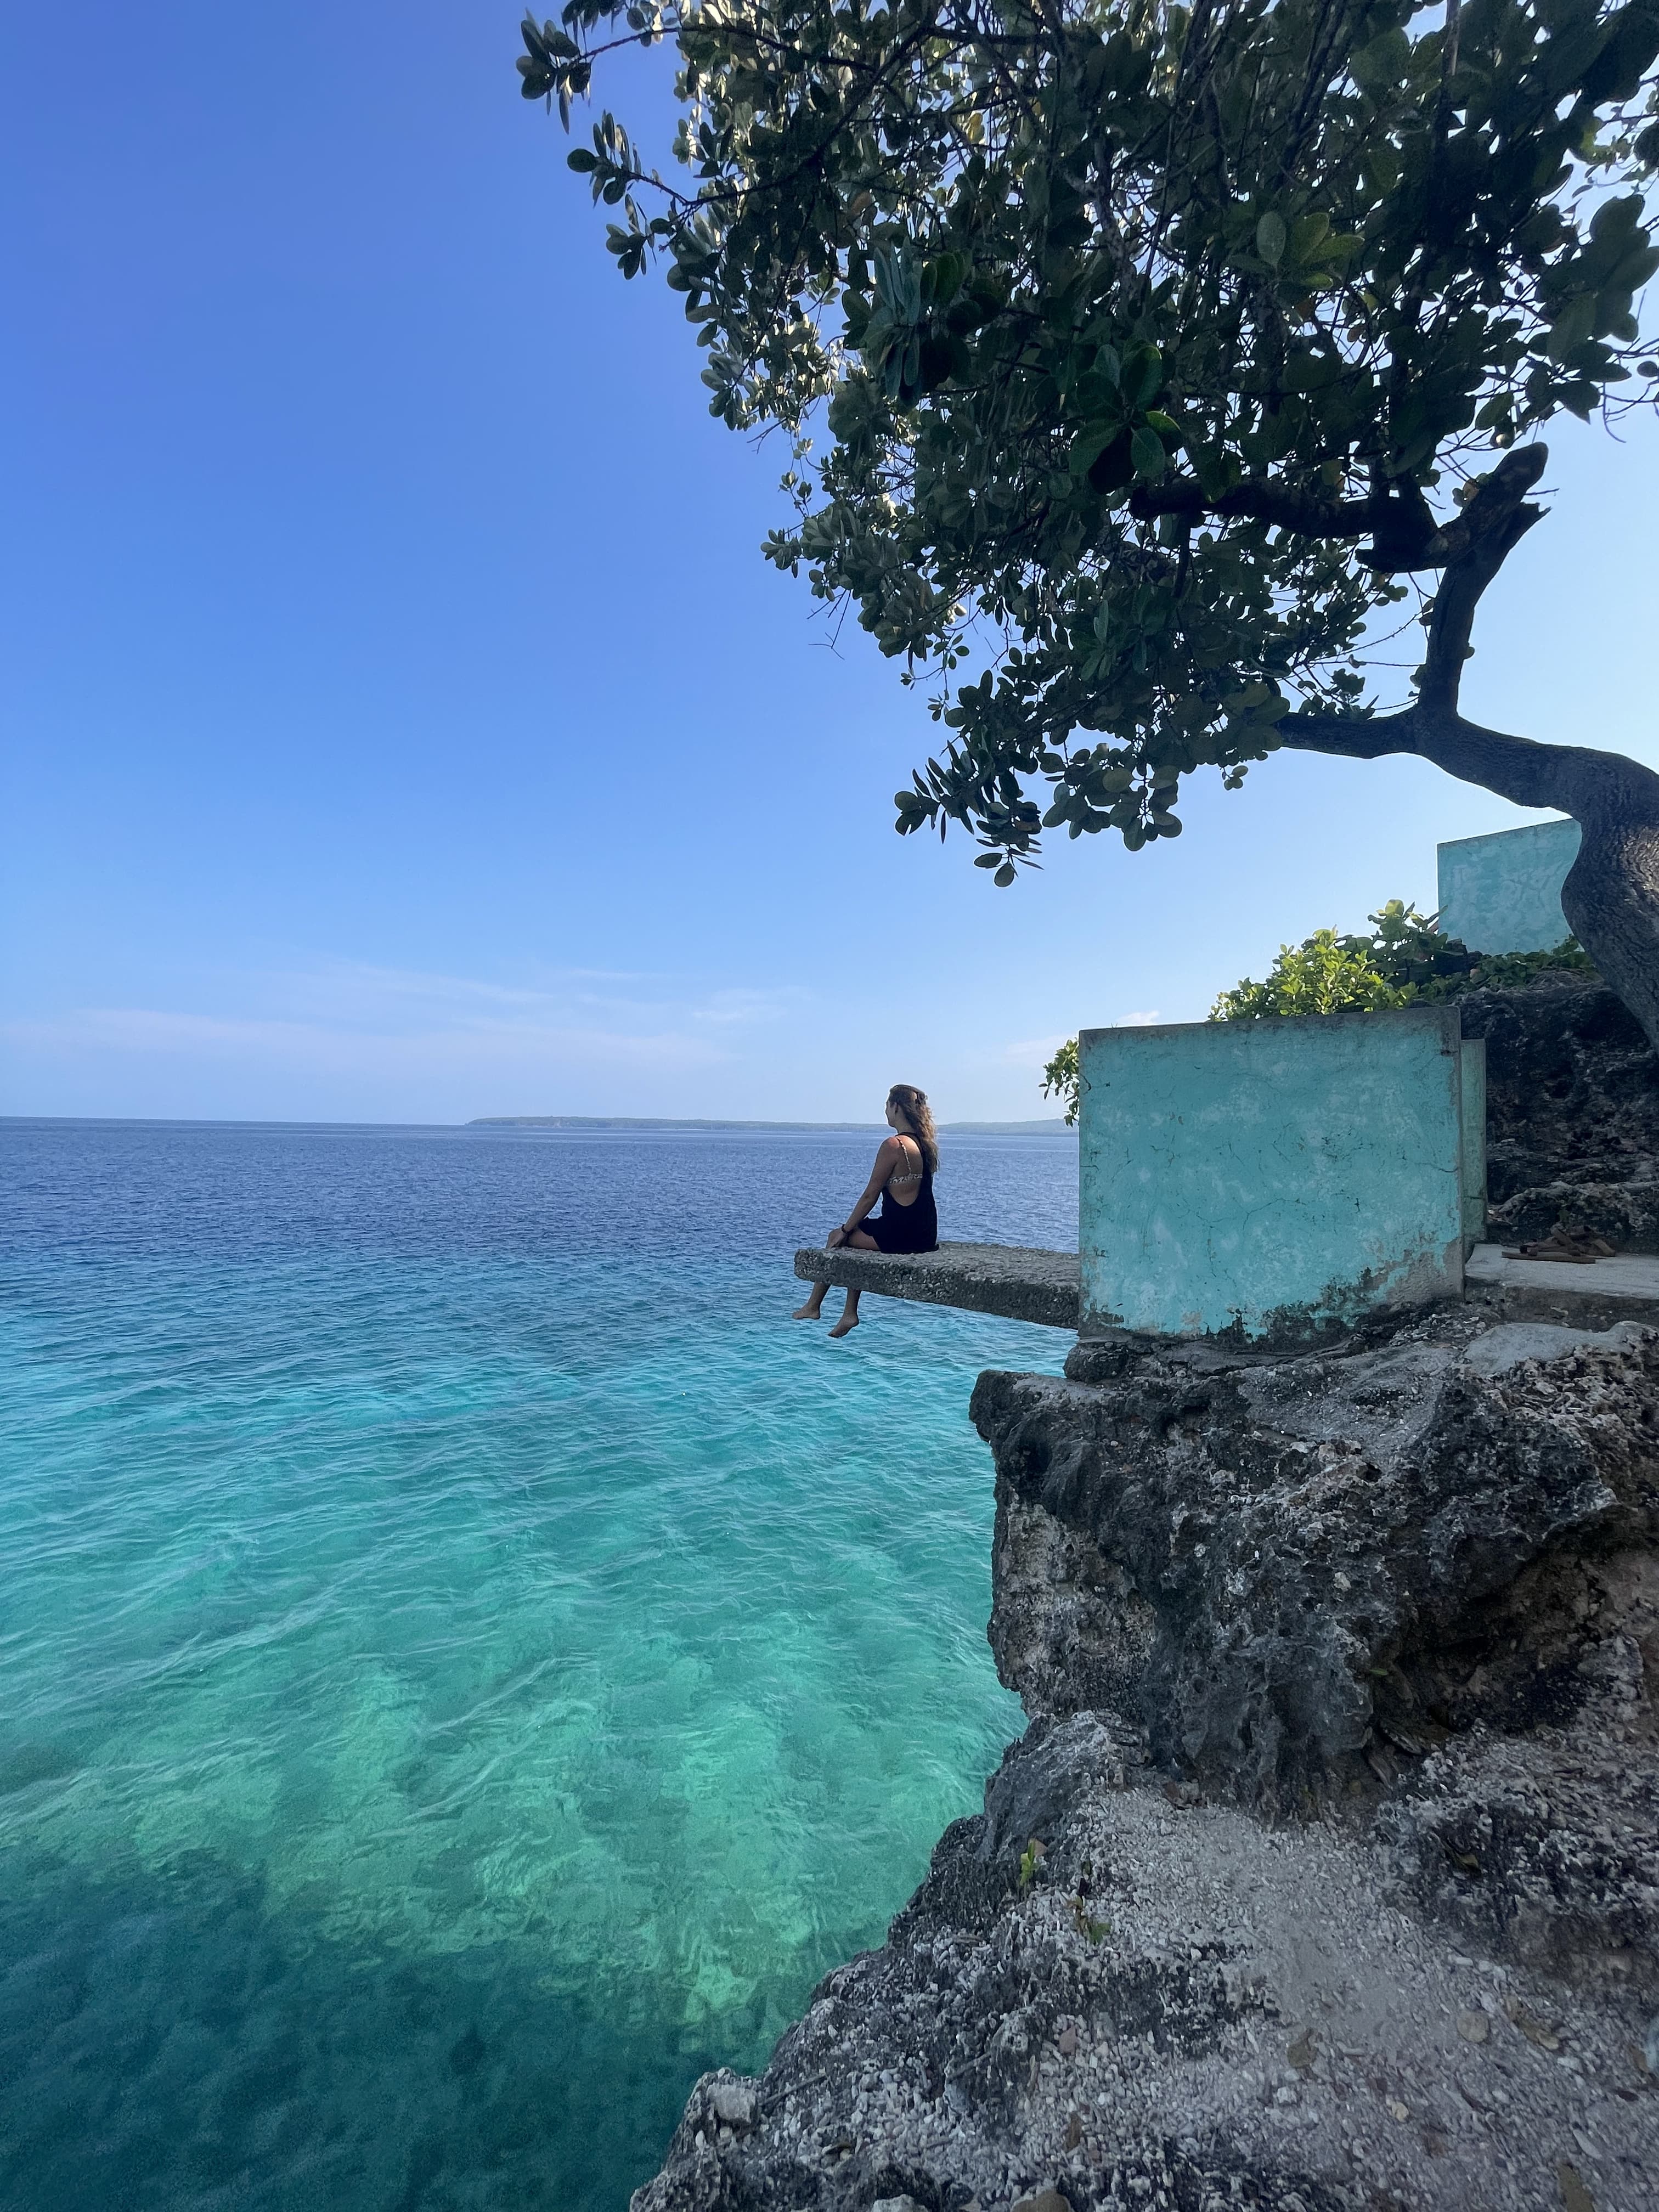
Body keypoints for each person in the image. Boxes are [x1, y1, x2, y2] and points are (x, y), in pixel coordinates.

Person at [792, 1085, 939, 1338]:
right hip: (925, 1233)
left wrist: (845, 1229)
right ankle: (846, 1312)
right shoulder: (924, 1144)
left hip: (900, 1235)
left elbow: (870, 1194)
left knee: (837, 1237)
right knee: (857, 1238)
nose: (885, 1111)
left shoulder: (895, 1146)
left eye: (886, 1105)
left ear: (896, 1107)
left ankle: (815, 1306)